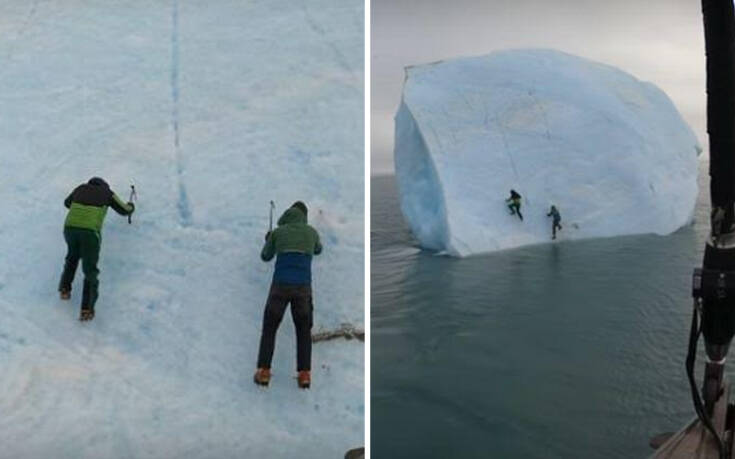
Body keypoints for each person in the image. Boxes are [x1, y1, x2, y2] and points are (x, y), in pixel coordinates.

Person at [255, 201, 322, 389]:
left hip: (280, 287)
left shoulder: (278, 233)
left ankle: (264, 372)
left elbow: (265, 256)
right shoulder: (311, 232)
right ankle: (304, 374)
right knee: (303, 330)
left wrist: (269, 239)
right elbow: (318, 250)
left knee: (270, 328)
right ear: (304, 216)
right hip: (303, 288)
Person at [58, 177, 135, 321]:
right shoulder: (107, 193)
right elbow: (124, 210)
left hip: (69, 228)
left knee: (72, 258)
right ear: (104, 185)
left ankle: (64, 289)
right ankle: (87, 309)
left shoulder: (80, 188)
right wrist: (131, 206)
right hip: (89, 232)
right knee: (90, 270)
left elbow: (67, 203)